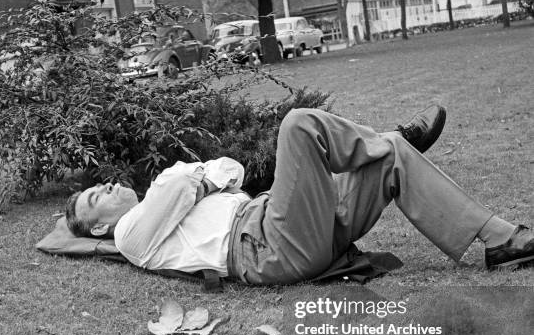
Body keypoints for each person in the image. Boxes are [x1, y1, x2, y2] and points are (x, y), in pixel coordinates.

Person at [64, 107, 533, 284]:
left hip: (279, 221)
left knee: (390, 155)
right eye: (94, 199)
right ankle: (392, 135)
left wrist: (204, 178)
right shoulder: (129, 233)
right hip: (265, 246)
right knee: (298, 124)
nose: (104, 187)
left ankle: (499, 240)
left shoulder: (160, 204)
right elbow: (188, 181)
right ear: (100, 226)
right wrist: (201, 178)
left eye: (99, 186)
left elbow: (231, 169)